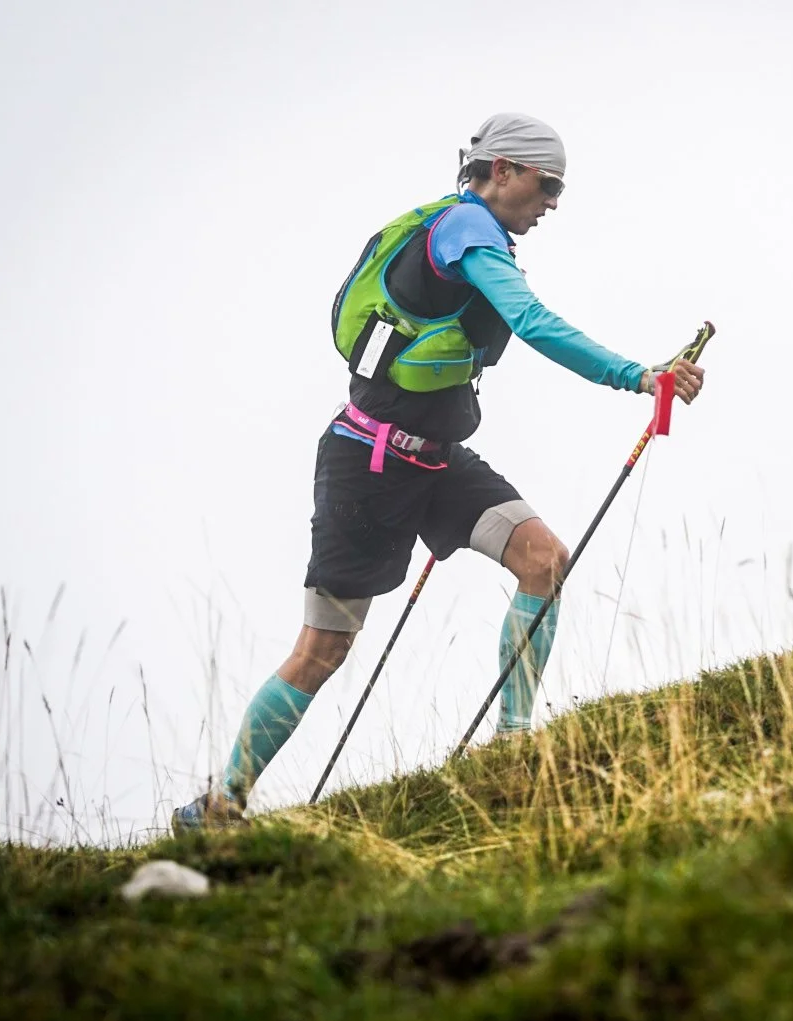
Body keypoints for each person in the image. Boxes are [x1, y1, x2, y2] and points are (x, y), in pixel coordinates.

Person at [171, 112, 706, 833]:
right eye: (547, 184)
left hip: (439, 461)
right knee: (323, 649)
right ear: (504, 171)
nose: (551, 202)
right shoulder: (464, 230)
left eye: (560, 190)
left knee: (543, 558)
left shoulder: (480, 237)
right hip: (365, 462)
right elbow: (532, 322)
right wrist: (637, 377)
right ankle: (219, 805)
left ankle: (514, 747)